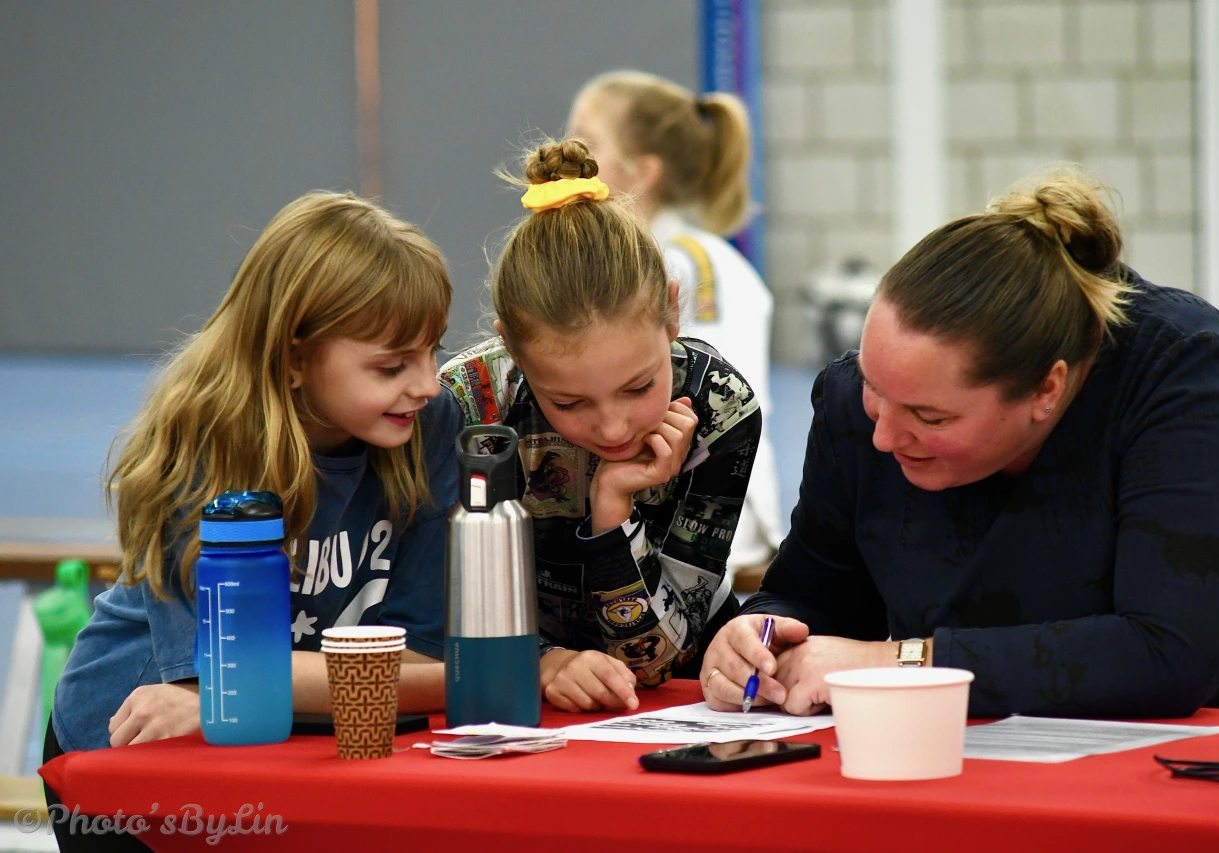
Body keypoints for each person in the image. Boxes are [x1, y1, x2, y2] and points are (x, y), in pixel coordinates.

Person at [701, 167, 1219, 719]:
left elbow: (1168, 652)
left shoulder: (1181, 374)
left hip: (1205, 757)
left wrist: (900, 663)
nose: (883, 435)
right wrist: (757, 639)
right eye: (873, 388)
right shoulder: (853, 407)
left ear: (1047, 390)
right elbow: (815, 597)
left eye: (930, 417)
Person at [49, 192, 460, 762]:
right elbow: (220, 678)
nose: (429, 385)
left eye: (433, 351)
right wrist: (248, 682)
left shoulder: (430, 425)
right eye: (391, 366)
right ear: (293, 359)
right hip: (131, 735)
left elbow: (426, 665)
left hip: (295, 731)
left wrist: (259, 680)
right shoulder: (208, 435)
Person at [439, 138, 761, 714]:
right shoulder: (467, 403)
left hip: (684, 700)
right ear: (512, 348)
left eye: (638, 388)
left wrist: (613, 507)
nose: (612, 429)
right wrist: (541, 660)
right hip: (512, 685)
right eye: (568, 402)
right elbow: (438, 598)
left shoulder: (719, 406)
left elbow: (658, 661)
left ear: (671, 313)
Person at [568, 71, 783, 583]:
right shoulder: (610, 262)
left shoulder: (692, 264)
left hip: (715, 531)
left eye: (588, 142)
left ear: (643, 172)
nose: (568, 155)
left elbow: (717, 405)